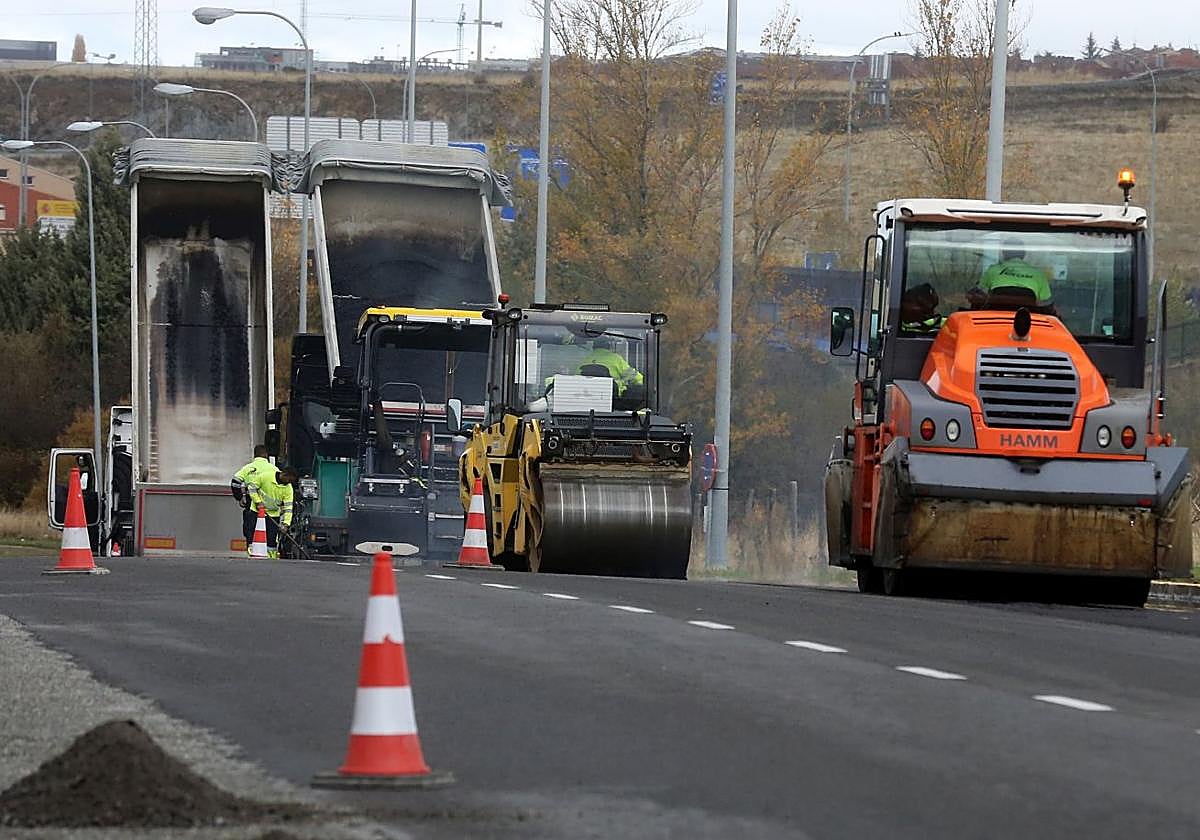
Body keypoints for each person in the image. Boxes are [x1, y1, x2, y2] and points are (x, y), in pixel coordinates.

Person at [231, 446, 297, 559]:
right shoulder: (270, 472)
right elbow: (252, 487)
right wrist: (258, 502)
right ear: (284, 474)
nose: (289, 483)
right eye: (289, 480)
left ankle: (270, 558)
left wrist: (286, 524)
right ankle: (255, 555)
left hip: (273, 514)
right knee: (254, 536)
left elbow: (288, 507)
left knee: (268, 539)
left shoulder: (287, 488)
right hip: (256, 511)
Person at [972, 239, 1054, 310]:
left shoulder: (993, 270)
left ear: (1004, 253)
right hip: (1029, 320)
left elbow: (979, 295)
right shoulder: (1038, 274)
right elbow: (1045, 302)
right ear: (1024, 254)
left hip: (996, 318)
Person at [576, 336, 644, 397]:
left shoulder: (584, 361)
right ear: (609, 346)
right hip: (614, 398)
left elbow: (576, 381)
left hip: (587, 397)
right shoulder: (615, 358)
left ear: (593, 347)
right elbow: (635, 377)